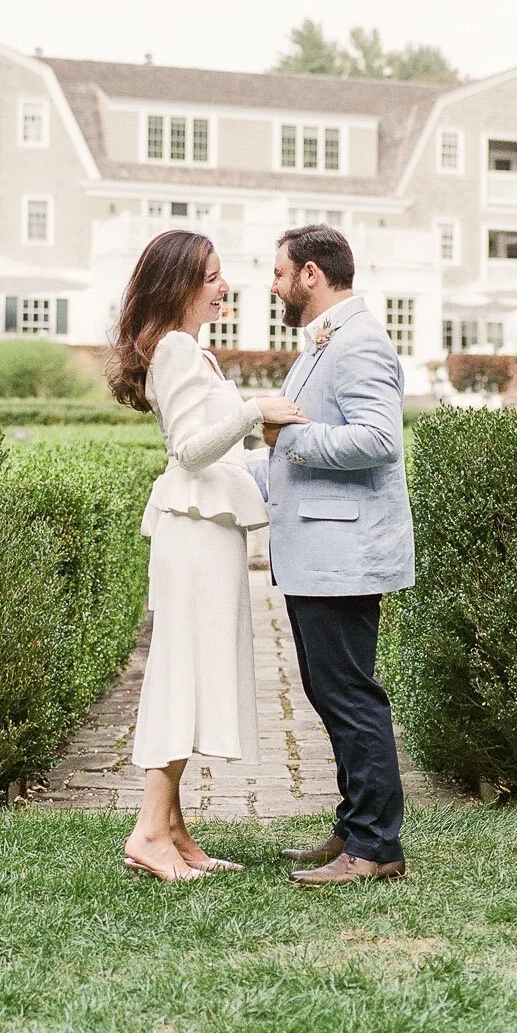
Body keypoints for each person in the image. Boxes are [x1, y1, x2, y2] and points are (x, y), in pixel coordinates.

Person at [105, 228, 309, 881]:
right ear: (182, 285)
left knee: (193, 673)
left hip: (204, 529)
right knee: (183, 675)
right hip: (192, 536)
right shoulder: (177, 351)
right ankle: (147, 833)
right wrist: (255, 409)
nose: (224, 287)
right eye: (213, 276)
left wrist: (286, 452)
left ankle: (173, 830)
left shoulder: (191, 352)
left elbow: (216, 454)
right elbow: (192, 449)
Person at [254, 224, 414, 886]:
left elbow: (377, 439)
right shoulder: (326, 341)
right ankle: (355, 825)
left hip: (344, 552)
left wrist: (290, 440)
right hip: (320, 549)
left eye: (280, 272)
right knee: (330, 690)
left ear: (311, 274)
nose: (273, 285)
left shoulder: (361, 342)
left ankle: (377, 846)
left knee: (350, 695)